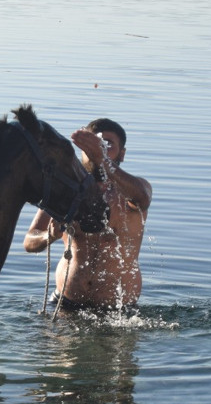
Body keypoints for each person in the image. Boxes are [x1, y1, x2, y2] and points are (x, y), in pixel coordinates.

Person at [23, 118, 152, 312]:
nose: (99, 149)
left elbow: (143, 197)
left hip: (119, 312)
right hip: (65, 302)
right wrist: (49, 236)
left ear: (122, 154)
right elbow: (29, 241)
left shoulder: (132, 191)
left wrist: (103, 160)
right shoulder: (64, 190)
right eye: (94, 144)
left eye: (108, 144)